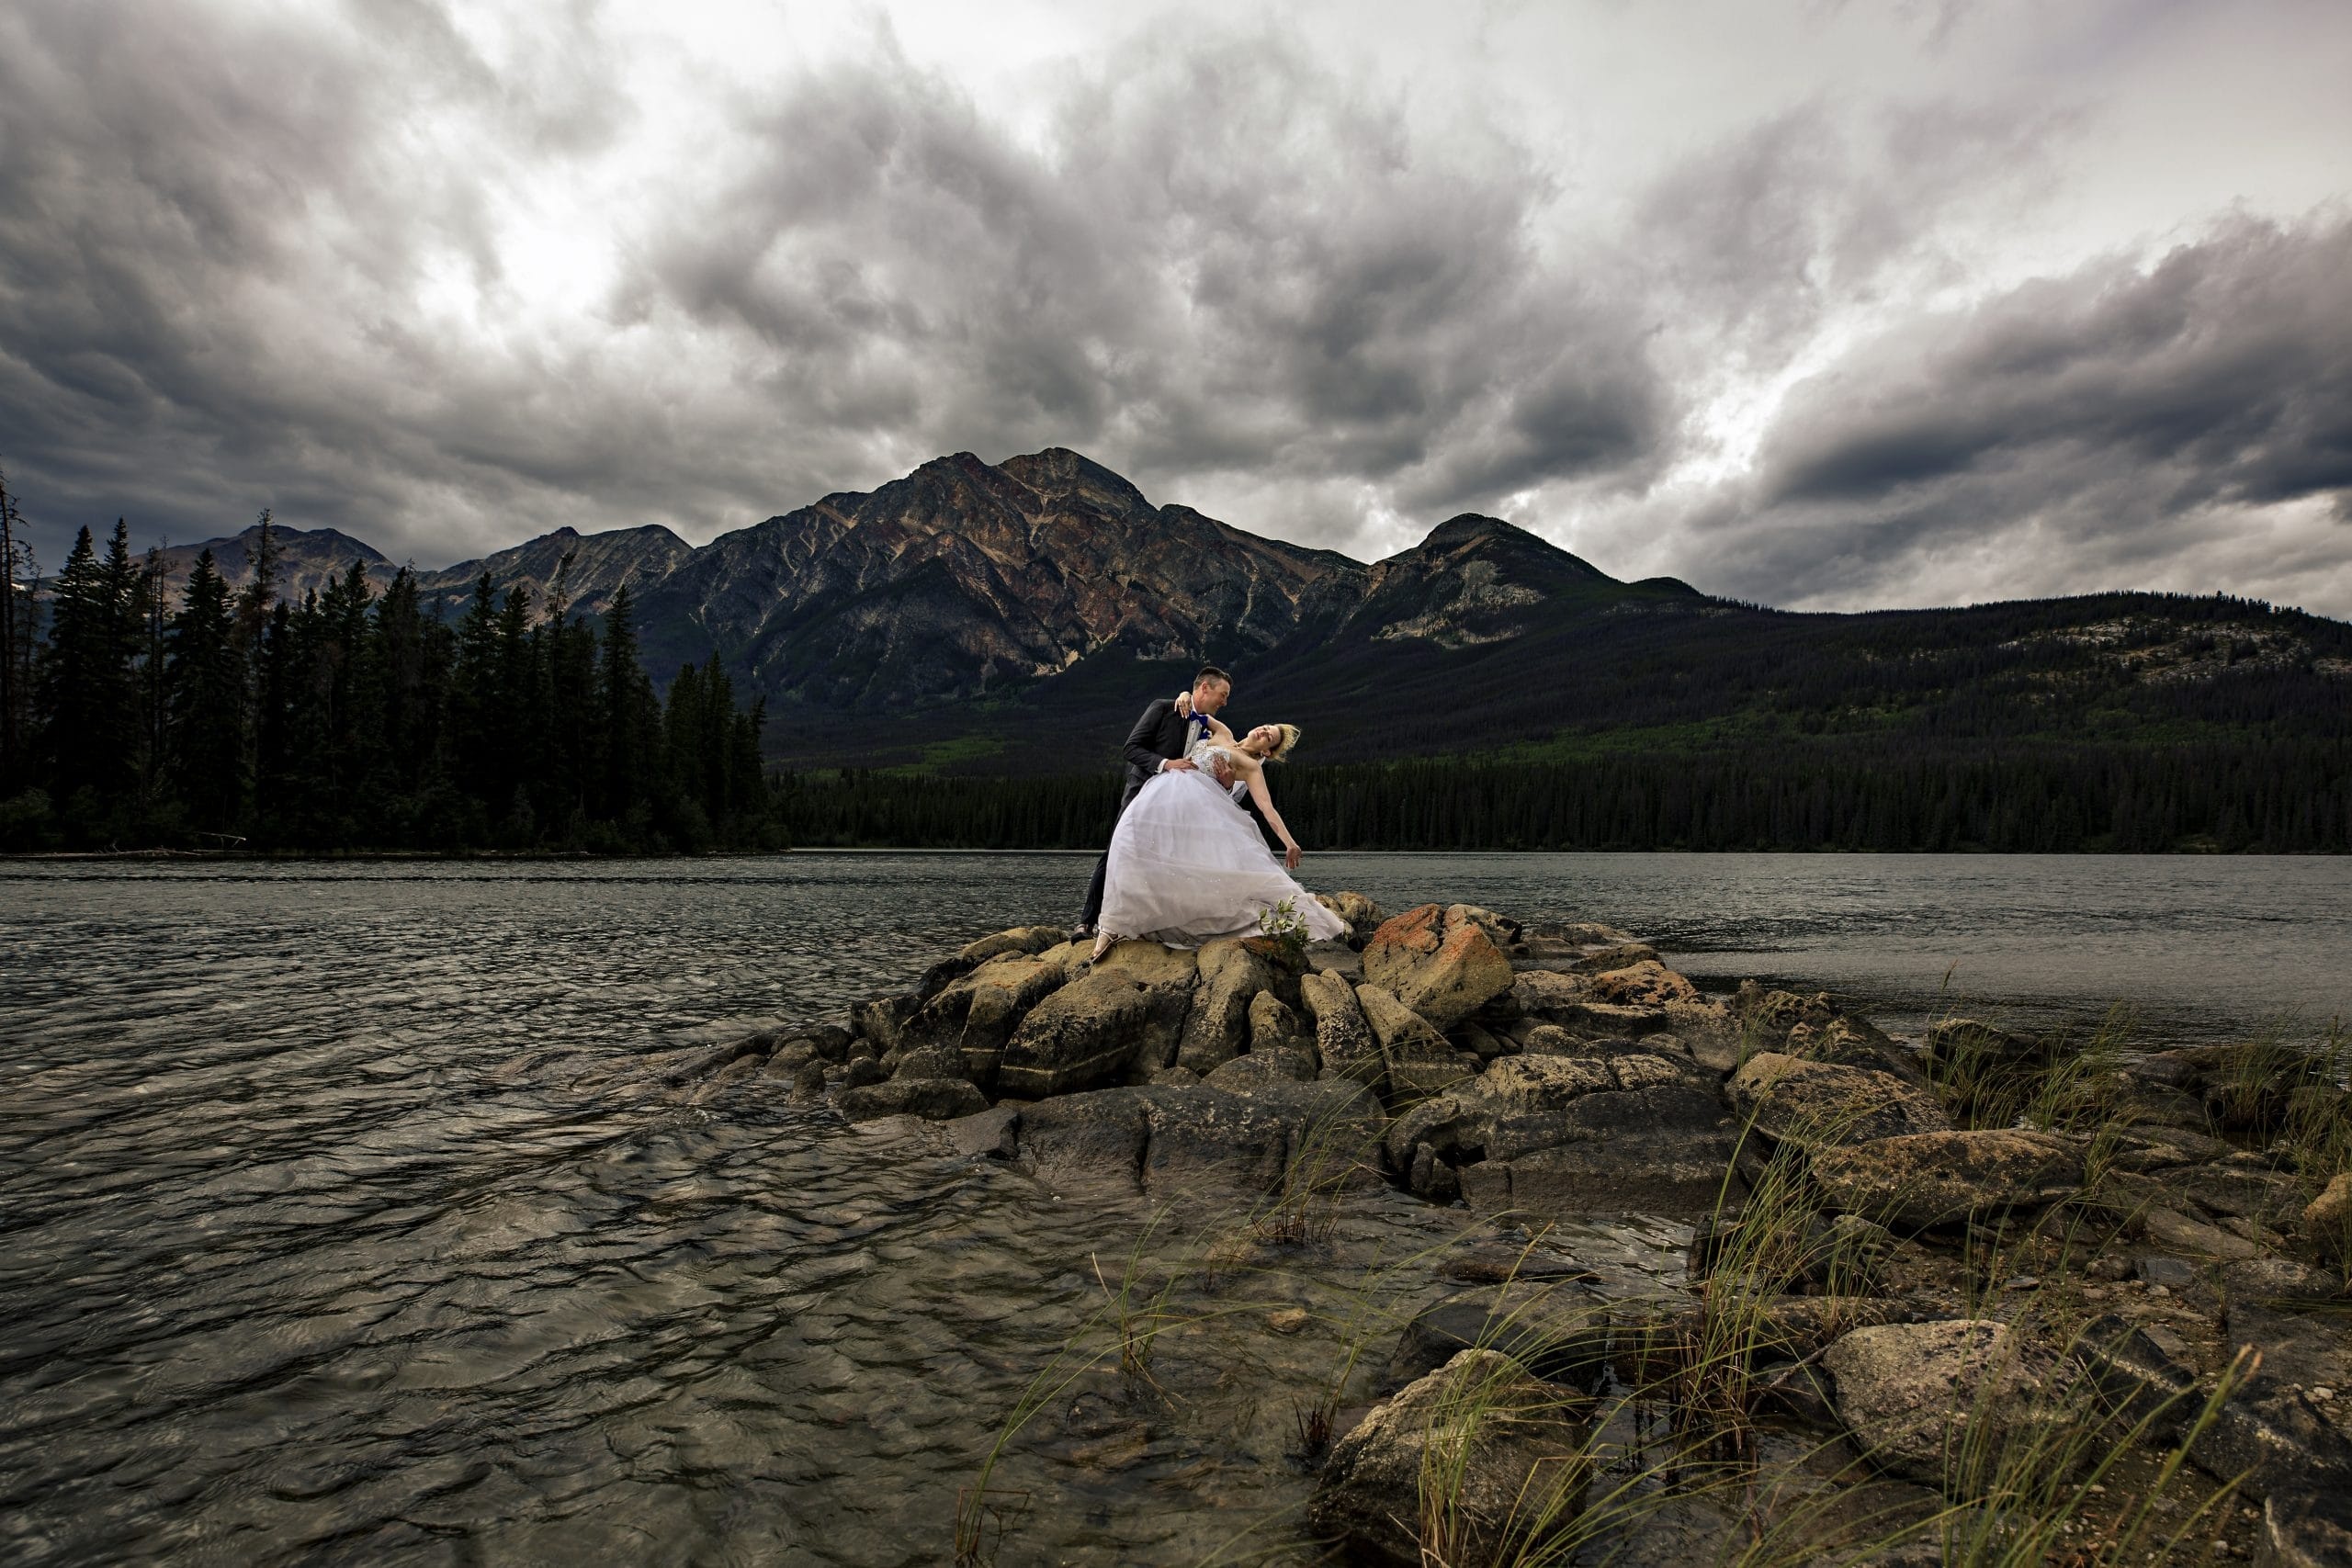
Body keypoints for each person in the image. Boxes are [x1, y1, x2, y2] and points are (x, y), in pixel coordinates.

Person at [1091, 709, 1348, 956]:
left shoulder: (1250, 766)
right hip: (1163, 795)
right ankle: (1119, 925)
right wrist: (1183, 696)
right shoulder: (1223, 733)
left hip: (1194, 812)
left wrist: (1290, 843)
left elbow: (1267, 807)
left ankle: (1126, 927)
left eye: (1268, 737)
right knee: (1129, 845)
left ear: (1266, 751)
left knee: (1194, 874)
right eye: (1266, 727)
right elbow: (1196, 712)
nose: (1262, 731)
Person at [1075, 666, 1238, 938]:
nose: (1225, 702)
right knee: (1116, 851)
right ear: (1205, 688)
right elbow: (1131, 748)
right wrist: (1166, 764)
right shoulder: (1164, 708)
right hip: (1141, 792)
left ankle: (1145, 925)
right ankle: (1087, 922)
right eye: (1223, 694)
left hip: (1175, 806)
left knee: (1161, 859)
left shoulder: (1208, 727)